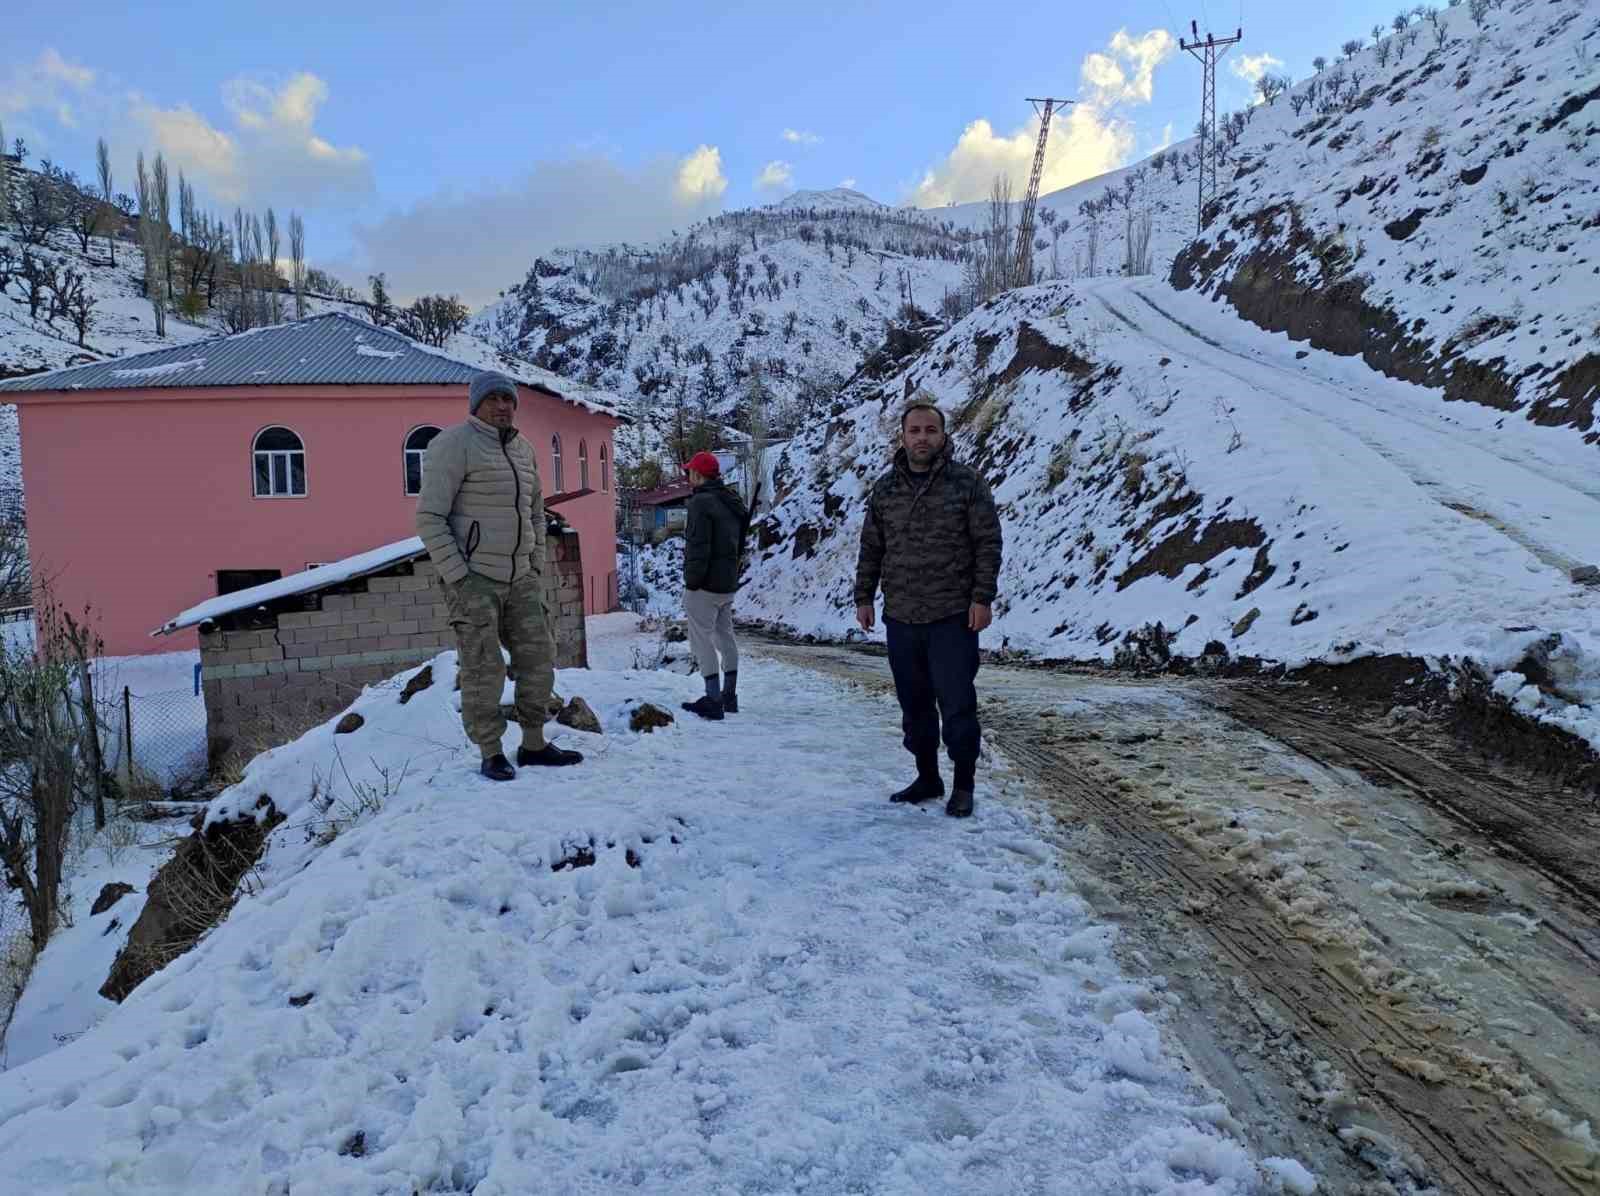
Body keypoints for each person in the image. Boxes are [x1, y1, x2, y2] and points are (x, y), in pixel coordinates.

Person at [416, 370, 582, 780]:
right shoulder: (453, 445)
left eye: (508, 399)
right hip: (475, 579)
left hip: (520, 576)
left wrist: (533, 562)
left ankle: (533, 743)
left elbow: (535, 512)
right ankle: (491, 751)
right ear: (476, 404)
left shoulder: (523, 449)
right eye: (493, 399)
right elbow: (430, 518)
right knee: (482, 666)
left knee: (538, 658)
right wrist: (459, 575)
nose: (503, 406)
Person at [853, 400, 1002, 817]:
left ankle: (964, 785)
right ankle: (927, 777)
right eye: (914, 431)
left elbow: (988, 545)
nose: (922, 438)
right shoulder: (885, 489)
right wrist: (864, 597)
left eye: (930, 431)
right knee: (914, 705)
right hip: (901, 615)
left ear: (943, 436)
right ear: (902, 436)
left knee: (956, 703)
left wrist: (982, 598)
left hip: (953, 615)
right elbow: (871, 547)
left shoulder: (967, 483)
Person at [680, 450, 748, 721]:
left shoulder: (701, 503)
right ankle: (729, 696)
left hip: (705, 584)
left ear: (699, 474)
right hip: (728, 581)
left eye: (690, 472)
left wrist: (691, 582)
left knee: (702, 639)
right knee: (725, 635)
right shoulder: (731, 500)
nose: (688, 477)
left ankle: (713, 698)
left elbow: (698, 546)